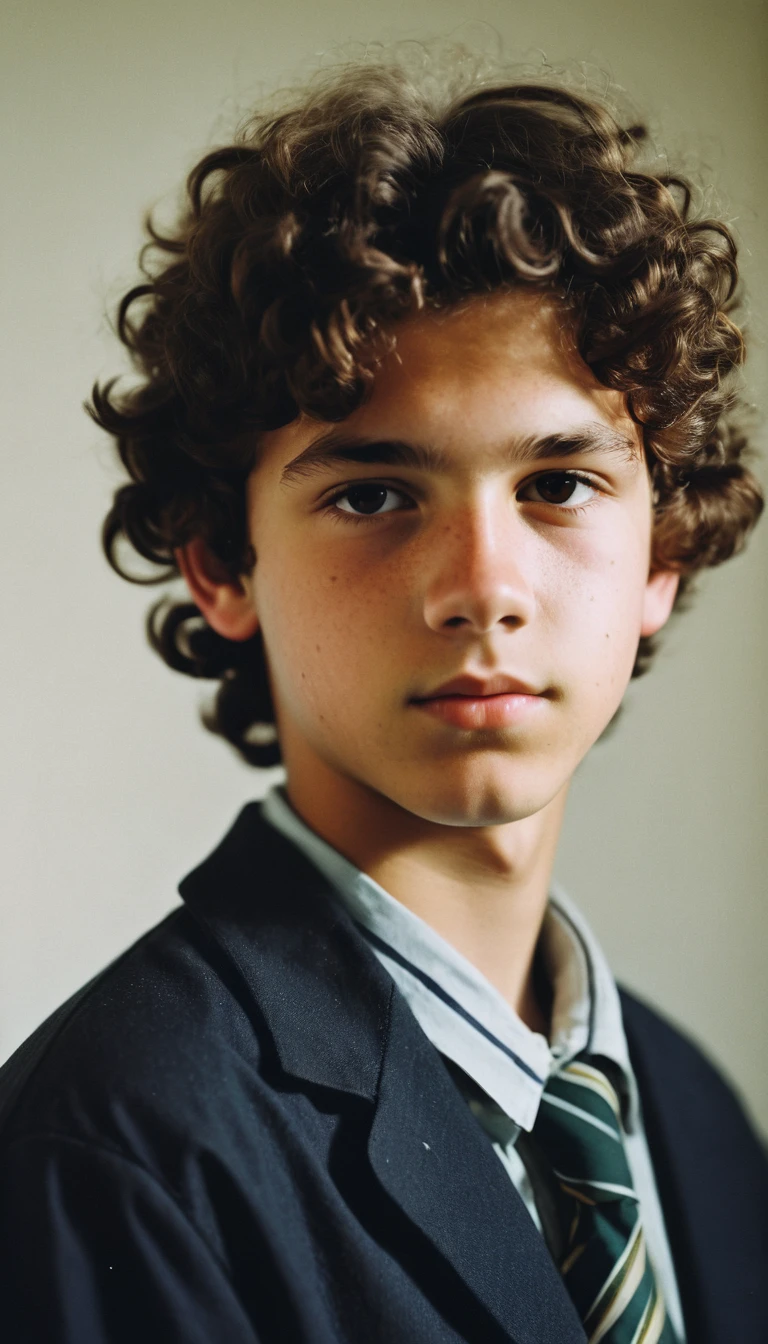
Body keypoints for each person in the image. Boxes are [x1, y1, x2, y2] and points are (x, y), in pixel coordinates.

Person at [0, 61, 765, 1344]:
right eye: (372, 494)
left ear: (664, 550)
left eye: (560, 486)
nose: (482, 590)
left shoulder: (696, 1120)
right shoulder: (118, 1144)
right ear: (222, 562)